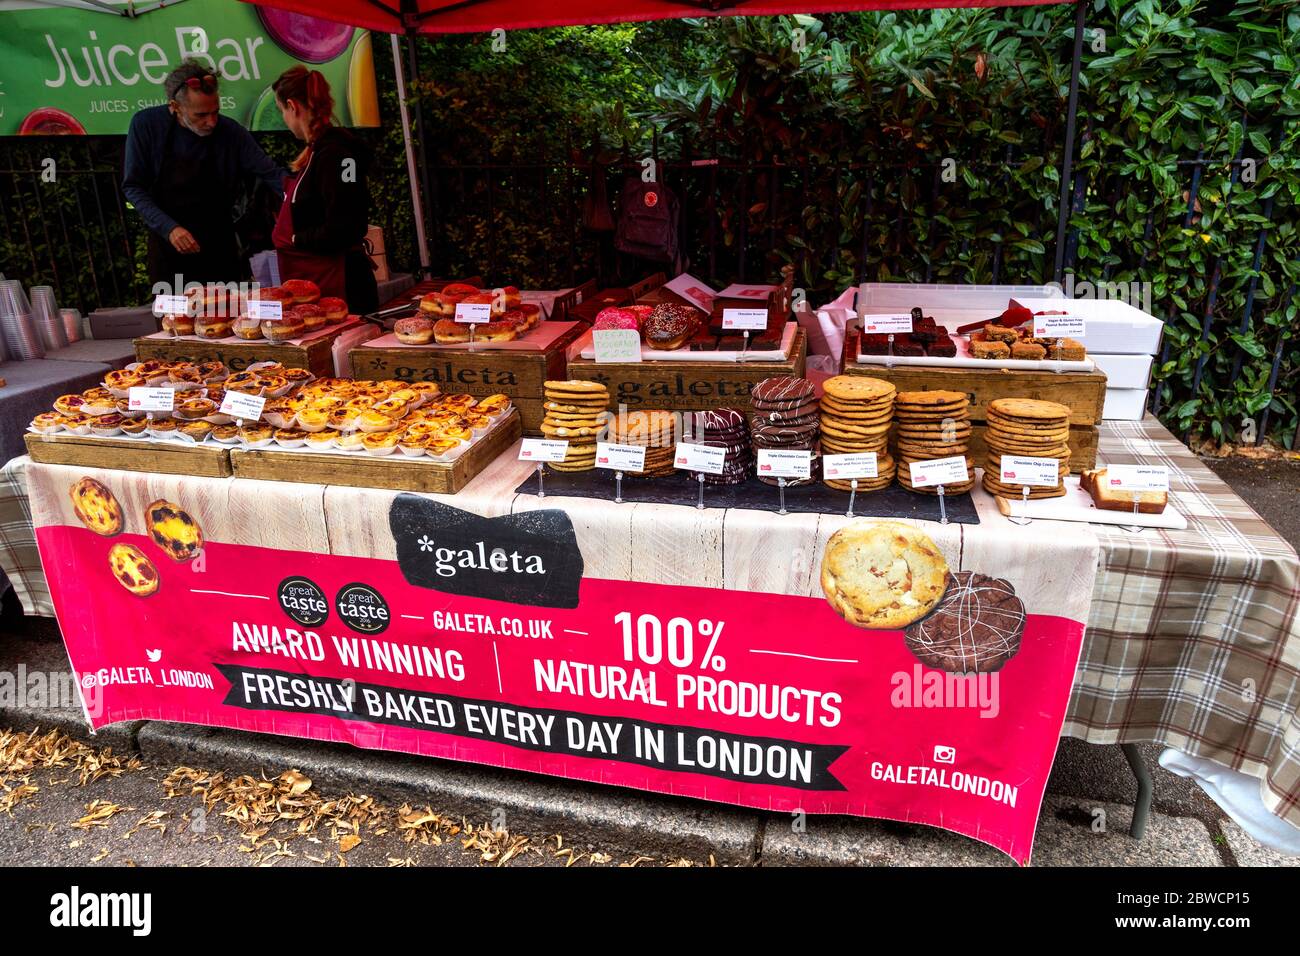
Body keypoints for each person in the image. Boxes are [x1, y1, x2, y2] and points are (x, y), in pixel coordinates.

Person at [123, 60, 285, 288]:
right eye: (201, 115)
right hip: (169, 251)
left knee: (227, 319)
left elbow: (270, 173)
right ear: (175, 107)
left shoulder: (230, 132)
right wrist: (169, 228)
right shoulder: (146, 125)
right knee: (175, 322)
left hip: (219, 247)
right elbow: (133, 187)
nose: (211, 122)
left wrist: (300, 200)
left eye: (216, 112)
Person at [271, 66, 379, 313]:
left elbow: (347, 224)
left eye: (282, 112)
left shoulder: (337, 155)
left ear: (292, 106)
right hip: (318, 282)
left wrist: (298, 239)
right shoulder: (318, 152)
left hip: (342, 284)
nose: (285, 121)